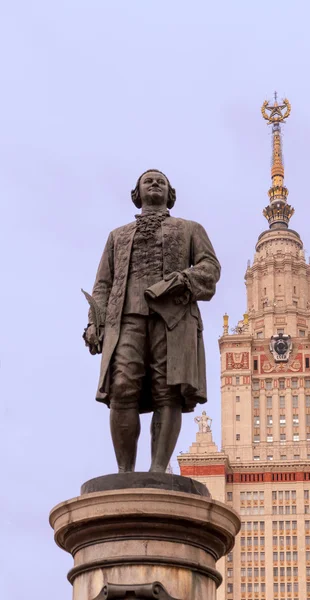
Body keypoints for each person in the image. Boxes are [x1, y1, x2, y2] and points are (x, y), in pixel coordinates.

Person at [84, 170, 220, 473]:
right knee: (121, 387)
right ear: (137, 192)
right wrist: (96, 323)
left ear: (170, 193)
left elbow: (210, 268)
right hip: (127, 318)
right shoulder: (117, 236)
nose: (155, 183)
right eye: (148, 180)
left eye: (161, 180)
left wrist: (181, 279)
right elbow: (103, 284)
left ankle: (158, 470)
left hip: (173, 319)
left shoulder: (189, 229)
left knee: (167, 389)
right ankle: (125, 473)